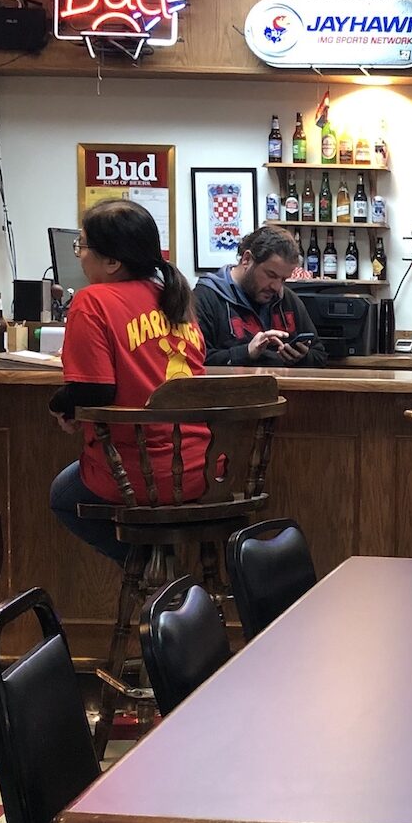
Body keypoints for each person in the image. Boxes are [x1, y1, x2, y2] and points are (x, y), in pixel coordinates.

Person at [49, 199, 208, 564]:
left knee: (63, 495)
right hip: (203, 468)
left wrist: (58, 405)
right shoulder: (175, 298)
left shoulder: (93, 301)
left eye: (83, 245)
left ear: (112, 262)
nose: (79, 255)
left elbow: (93, 391)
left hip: (140, 474)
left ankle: (150, 569)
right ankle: (163, 570)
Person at [193, 225, 328, 367]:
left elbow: (320, 355)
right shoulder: (205, 298)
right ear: (247, 260)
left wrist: (302, 357)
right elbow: (195, 361)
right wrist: (246, 353)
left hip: (284, 388)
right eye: (271, 275)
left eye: (283, 279)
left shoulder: (287, 299)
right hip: (232, 389)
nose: (276, 287)